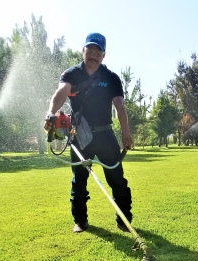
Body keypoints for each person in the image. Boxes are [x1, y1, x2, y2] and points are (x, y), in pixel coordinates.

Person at [44, 33, 133, 233]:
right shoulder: (71, 74)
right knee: (79, 180)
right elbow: (61, 92)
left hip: (105, 135)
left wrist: (126, 133)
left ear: (104, 55)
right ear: (83, 51)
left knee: (117, 178)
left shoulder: (111, 78)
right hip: (79, 136)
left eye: (98, 51)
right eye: (90, 50)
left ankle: (124, 220)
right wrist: (51, 113)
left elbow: (120, 106)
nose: (93, 55)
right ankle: (81, 221)